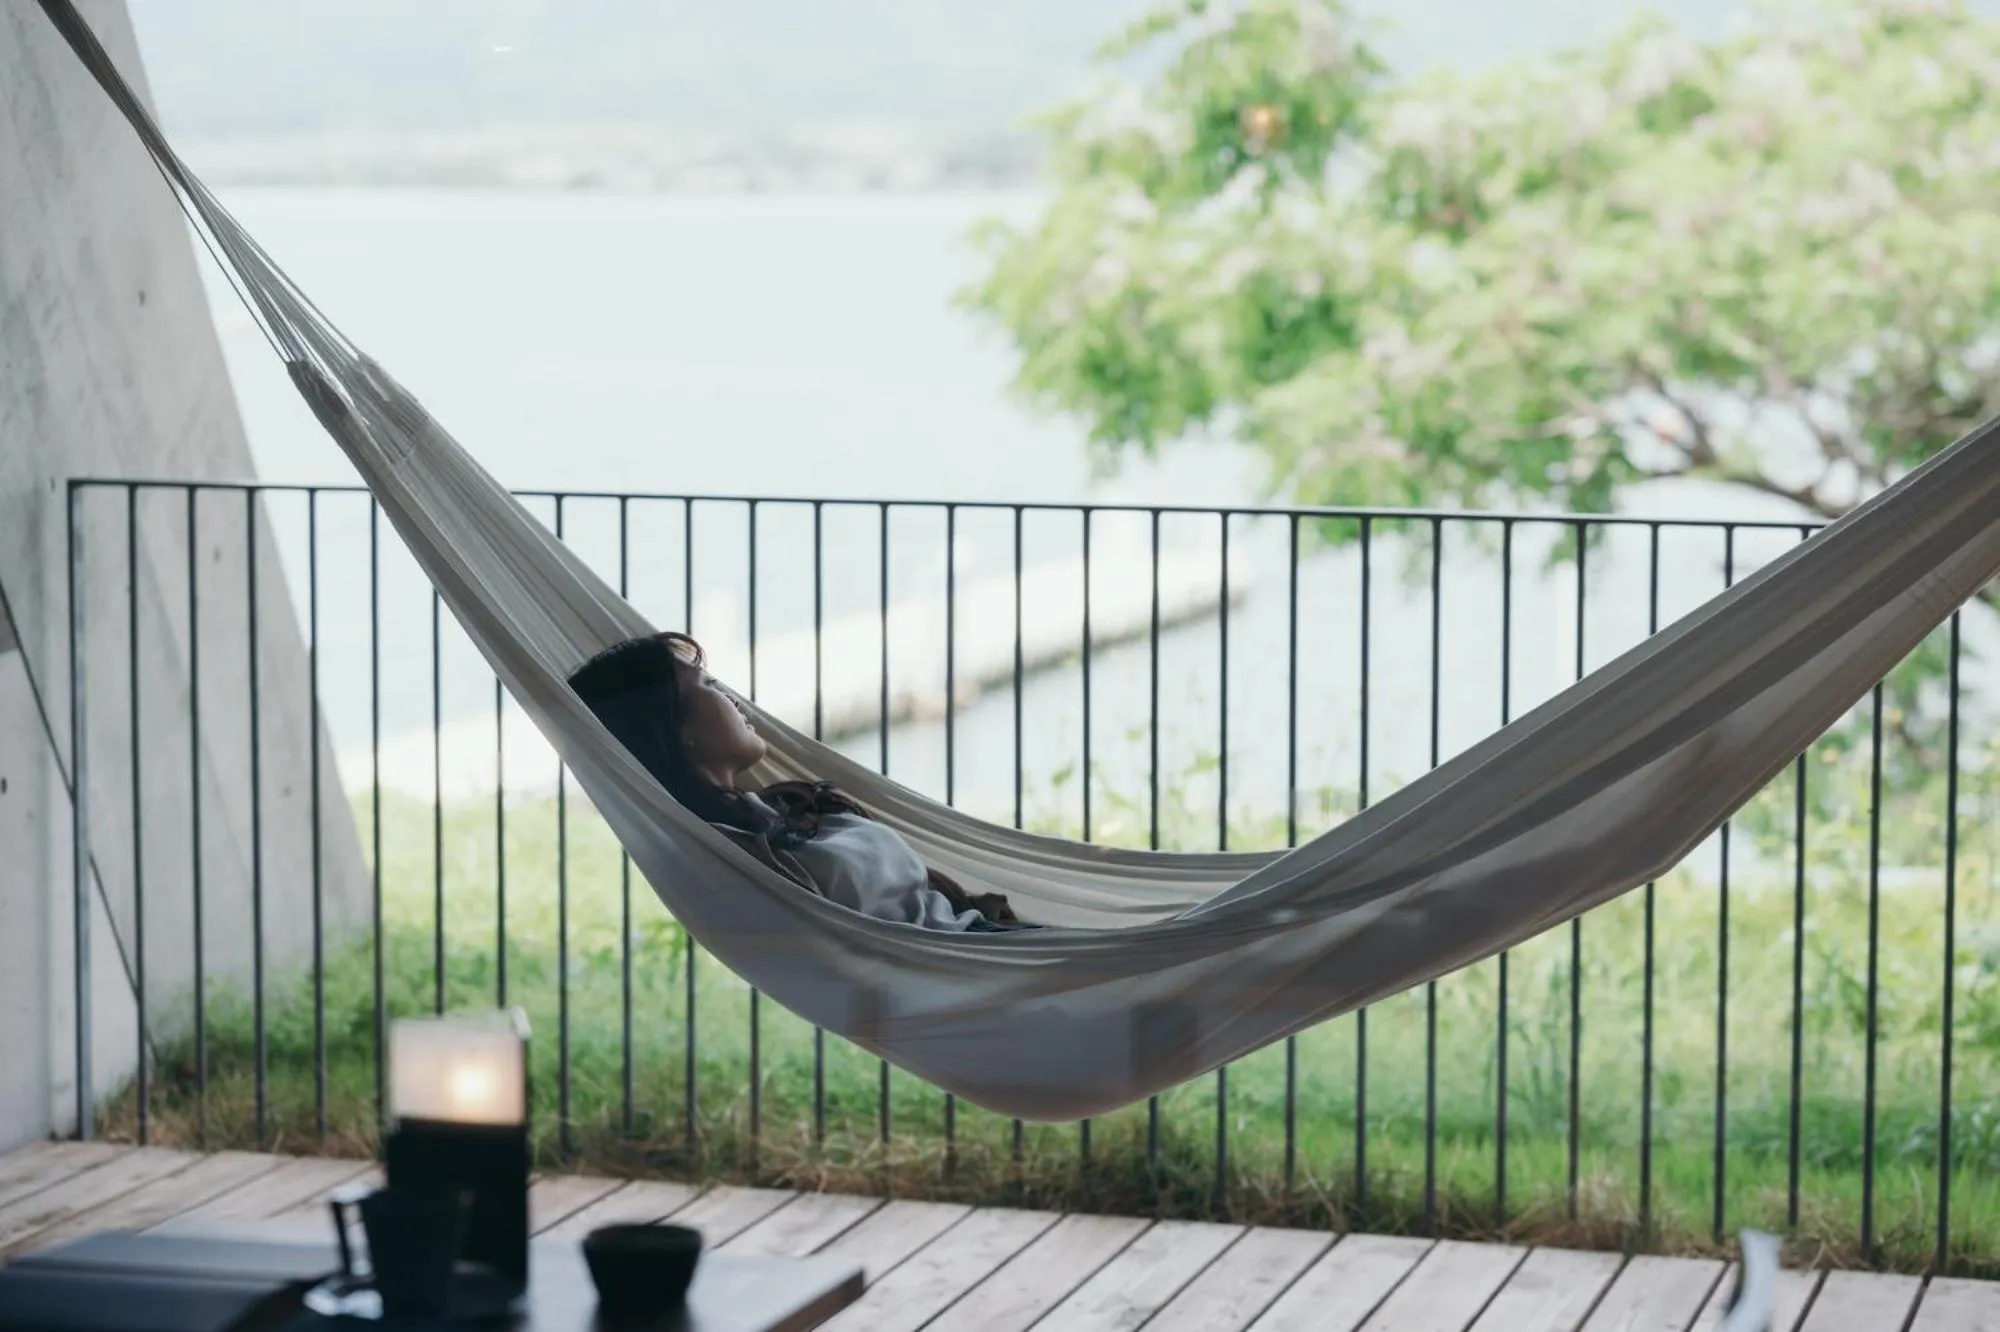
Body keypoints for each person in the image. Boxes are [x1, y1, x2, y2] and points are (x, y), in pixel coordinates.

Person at [568, 631, 1034, 932]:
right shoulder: (728, 854)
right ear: (679, 730)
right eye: (709, 686)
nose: (732, 698)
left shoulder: (779, 809)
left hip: (995, 945)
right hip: (981, 967)